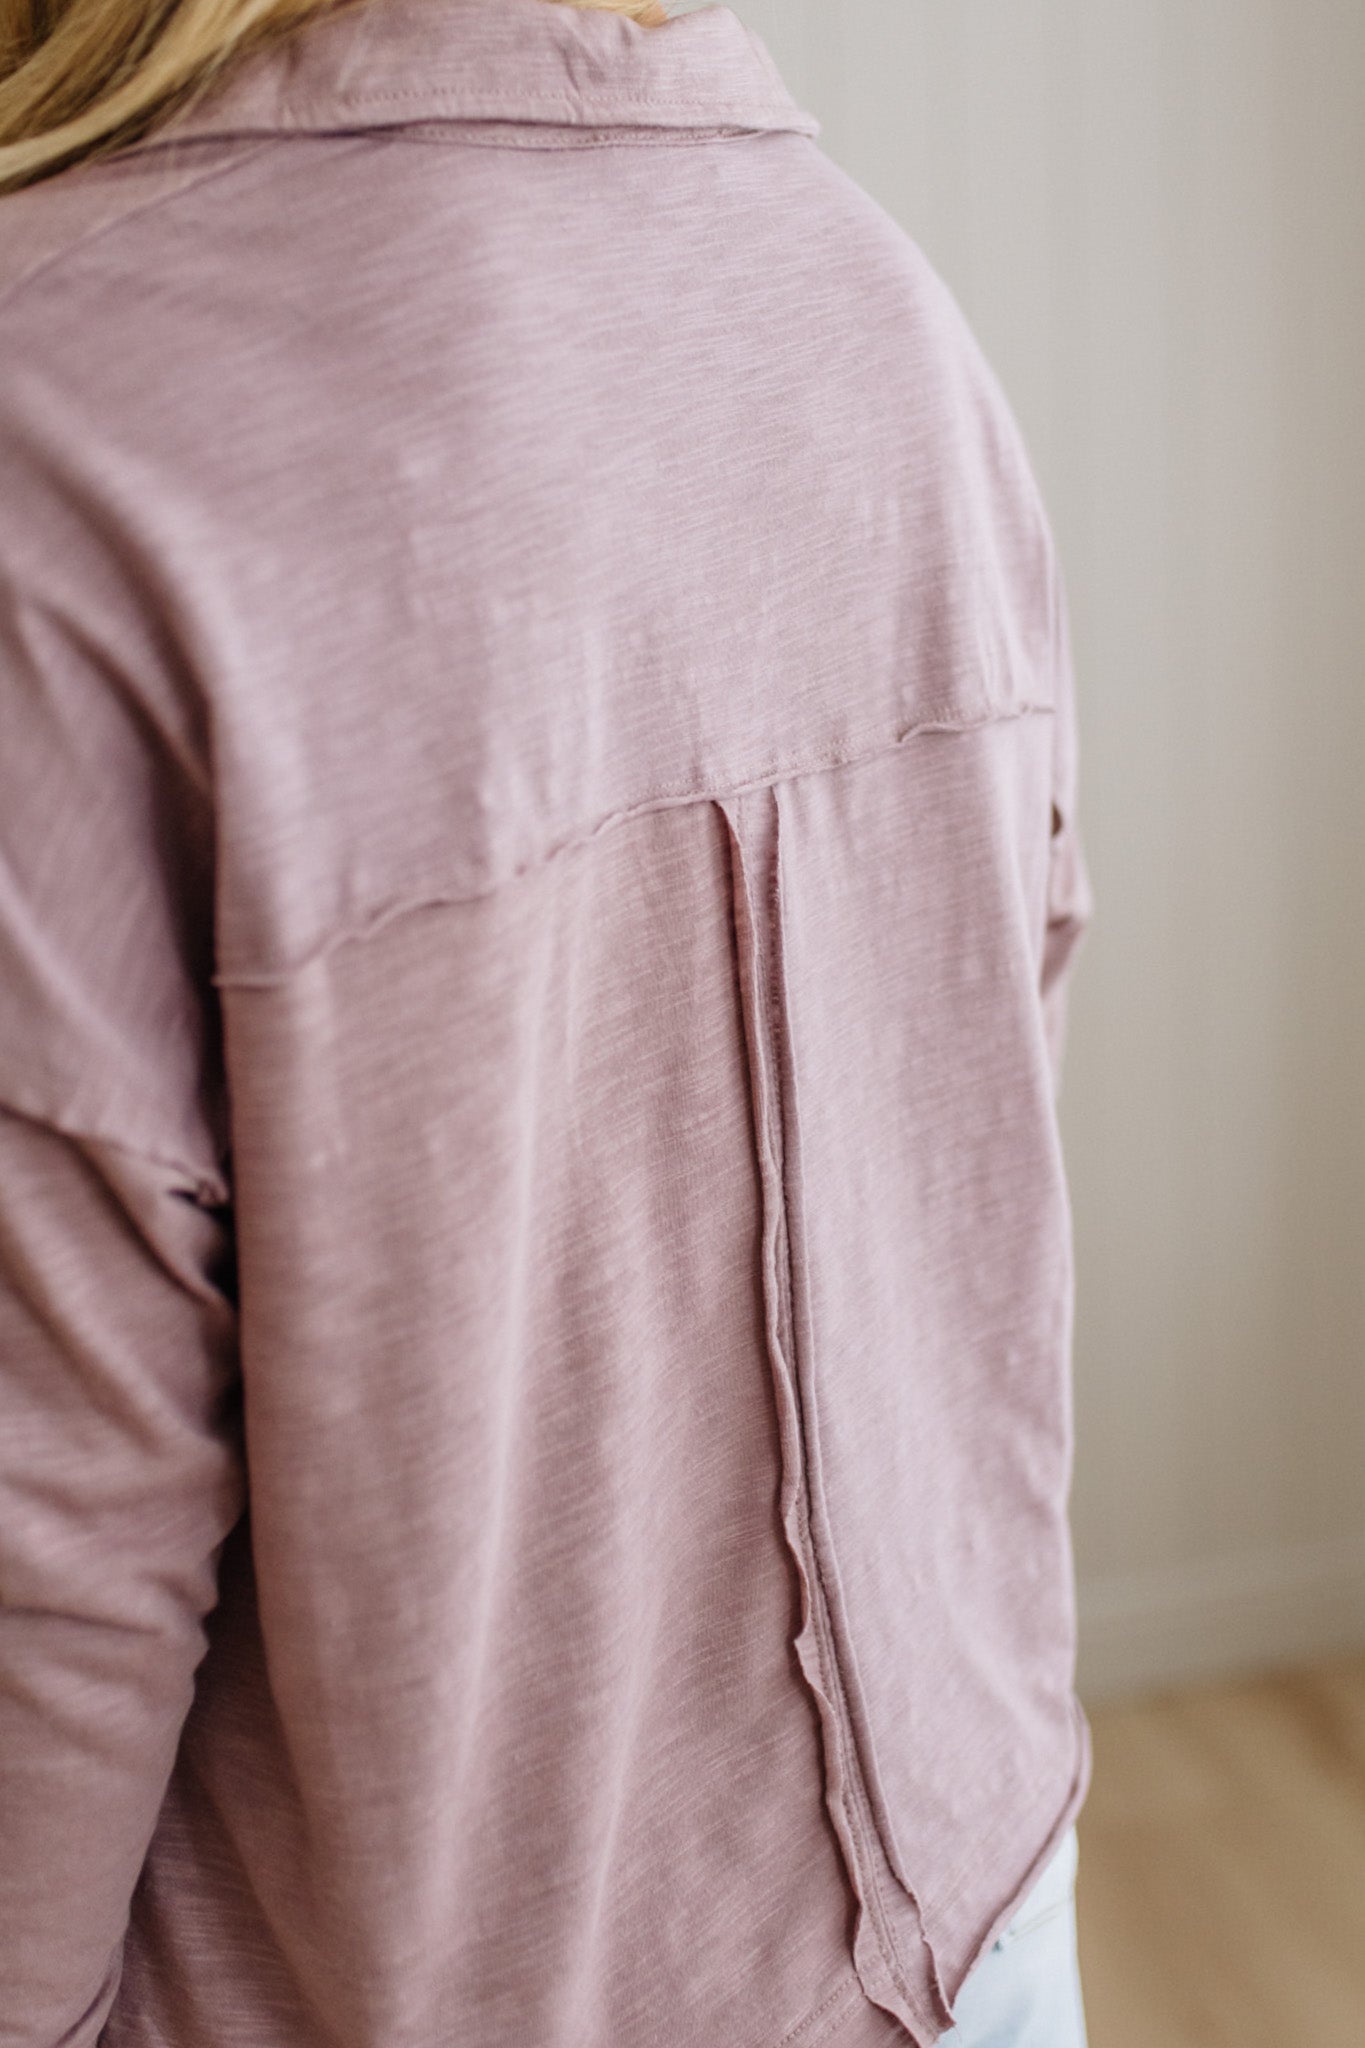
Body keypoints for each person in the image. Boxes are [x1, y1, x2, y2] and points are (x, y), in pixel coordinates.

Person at [0, 2, 1095, 2044]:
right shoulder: (873, 305)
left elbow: (41, 1558)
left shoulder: (58, 429)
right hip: (982, 1928)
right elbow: (976, 1152)